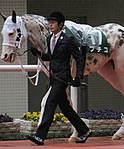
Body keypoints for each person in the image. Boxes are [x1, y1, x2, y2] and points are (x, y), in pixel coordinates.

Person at [28, 11, 91, 145]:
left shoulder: (68, 40)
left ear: (61, 24)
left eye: (53, 22)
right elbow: (50, 57)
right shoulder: (50, 38)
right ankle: (84, 130)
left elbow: (79, 58)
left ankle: (40, 136)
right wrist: (38, 53)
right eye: (49, 22)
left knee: (50, 103)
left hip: (62, 79)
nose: (50, 25)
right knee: (65, 108)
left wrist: (78, 77)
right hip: (54, 77)